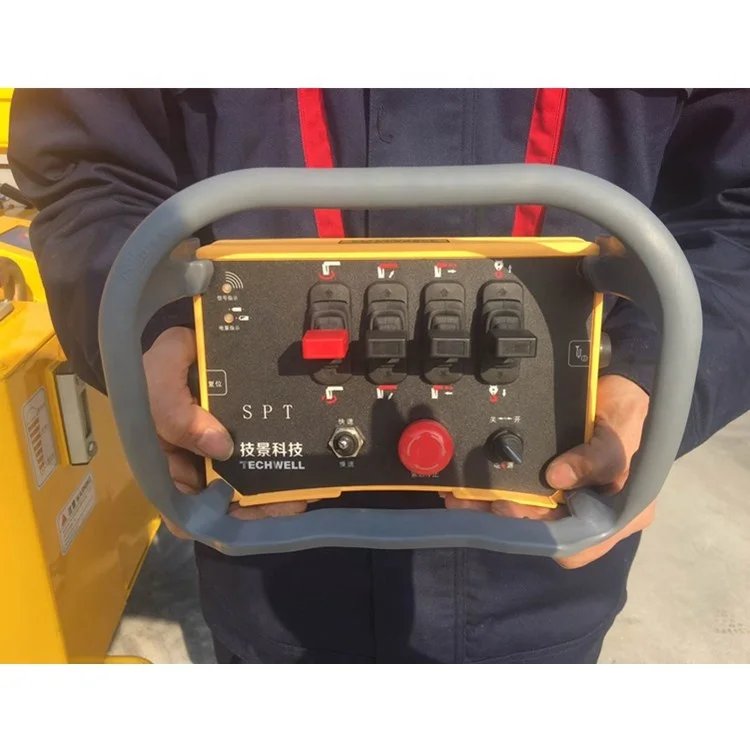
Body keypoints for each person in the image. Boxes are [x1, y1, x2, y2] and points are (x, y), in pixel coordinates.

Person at [9, 89, 750, 663]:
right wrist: (149, 324)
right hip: (268, 544)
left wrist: (656, 373)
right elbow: (89, 170)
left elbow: (737, 206)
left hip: (541, 558)